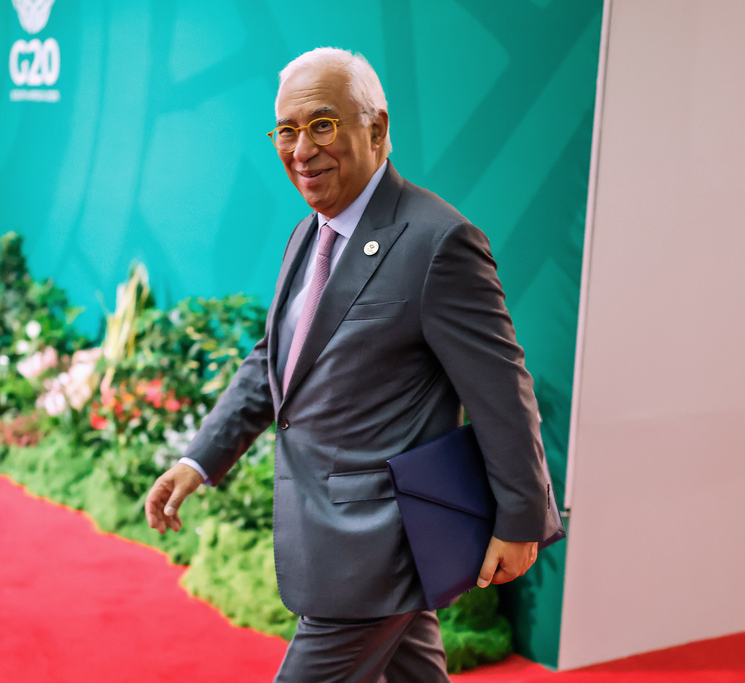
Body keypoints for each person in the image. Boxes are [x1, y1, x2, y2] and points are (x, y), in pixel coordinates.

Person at [145, 47, 558, 682]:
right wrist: (198, 460)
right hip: (357, 541)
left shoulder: (438, 242)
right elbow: (274, 362)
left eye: (322, 124)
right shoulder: (309, 232)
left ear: (377, 129)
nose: (301, 149)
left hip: (377, 544)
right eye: (286, 131)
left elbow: (504, 392)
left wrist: (521, 520)